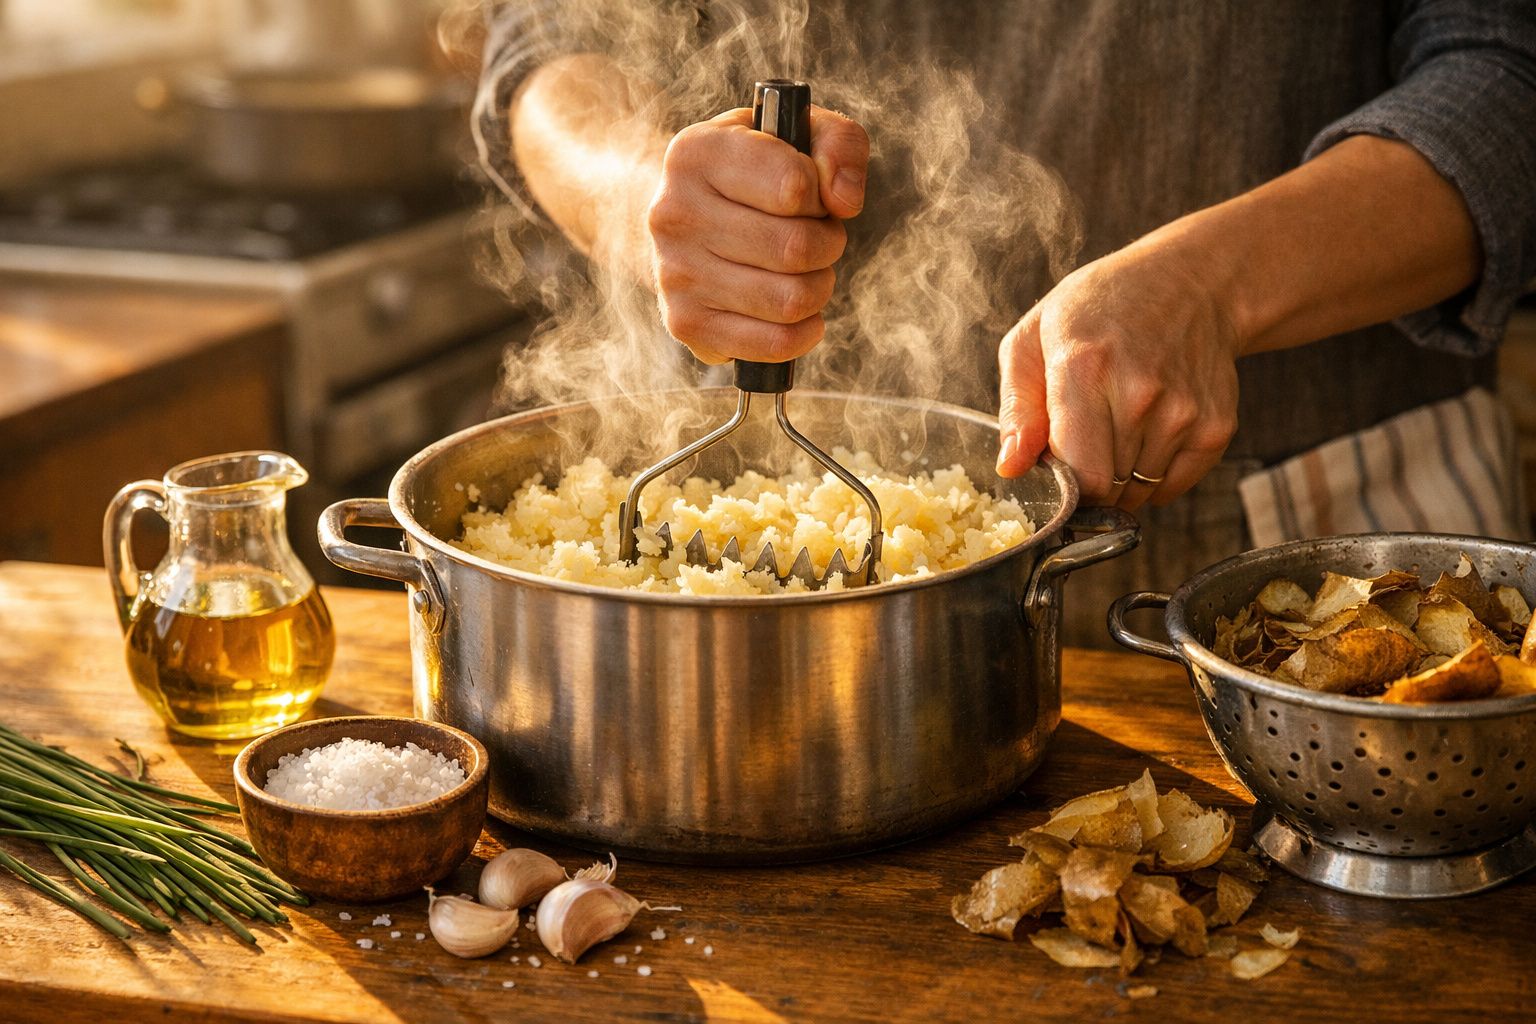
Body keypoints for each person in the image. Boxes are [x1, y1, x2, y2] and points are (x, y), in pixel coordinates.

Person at [475, 1, 1536, 646]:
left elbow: (1510, 71)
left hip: (1328, 537)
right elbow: (552, 45)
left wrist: (1219, 282)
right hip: (770, 533)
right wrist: (646, 192)